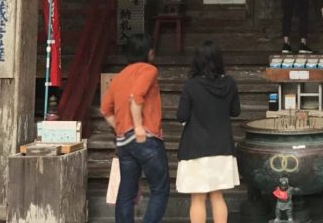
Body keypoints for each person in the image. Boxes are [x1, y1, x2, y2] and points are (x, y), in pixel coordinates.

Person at [101, 33, 168, 223]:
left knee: (126, 191)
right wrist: (138, 127)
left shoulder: (120, 76)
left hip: (124, 142)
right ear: (150, 52)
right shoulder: (149, 70)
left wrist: (121, 129)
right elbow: (136, 97)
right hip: (145, 138)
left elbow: (106, 110)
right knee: (160, 189)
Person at [176, 41, 241, 223]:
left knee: (198, 198)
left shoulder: (191, 85)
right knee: (217, 196)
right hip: (222, 148)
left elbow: (181, 115)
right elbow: (235, 111)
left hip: (196, 148)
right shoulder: (229, 83)